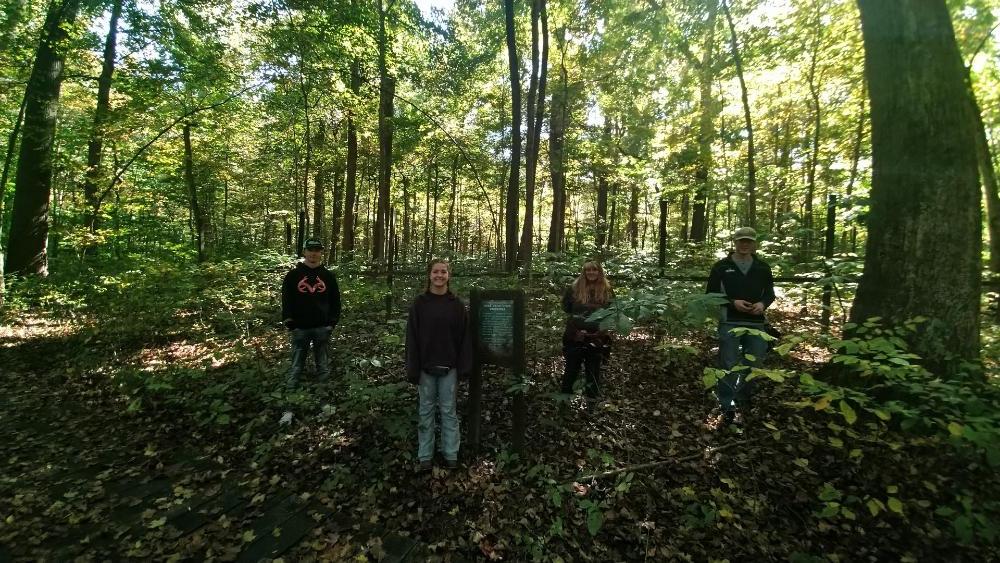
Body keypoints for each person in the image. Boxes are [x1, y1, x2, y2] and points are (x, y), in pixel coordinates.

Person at [405, 259, 472, 471]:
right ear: (429, 275)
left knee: (448, 412)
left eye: (443, 272)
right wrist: (412, 367)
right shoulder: (419, 304)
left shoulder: (457, 305)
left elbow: (465, 339)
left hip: (449, 369)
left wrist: (463, 367)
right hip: (425, 369)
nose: (439, 275)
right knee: (425, 412)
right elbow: (412, 338)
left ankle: (450, 453)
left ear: (449, 276)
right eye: (436, 272)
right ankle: (425, 455)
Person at [706, 227, 776, 426]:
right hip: (729, 320)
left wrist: (762, 304)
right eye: (741, 241)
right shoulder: (721, 267)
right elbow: (711, 293)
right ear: (734, 242)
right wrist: (732, 302)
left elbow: (770, 294)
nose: (744, 244)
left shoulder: (763, 267)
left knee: (754, 363)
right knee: (728, 363)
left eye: (749, 241)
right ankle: (726, 404)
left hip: (756, 323)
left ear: (754, 243)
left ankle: (743, 398)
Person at [281, 238, 342, 391]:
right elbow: (286, 300)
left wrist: (332, 323)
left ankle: (324, 397)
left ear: (321, 252)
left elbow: (335, 301)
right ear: (304, 252)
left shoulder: (328, 276)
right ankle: (290, 397)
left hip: (322, 327)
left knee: (323, 365)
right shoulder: (293, 275)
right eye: (310, 250)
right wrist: (289, 322)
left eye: (317, 250)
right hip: (299, 328)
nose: (313, 254)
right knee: (296, 366)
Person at [560, 261, 613, 402]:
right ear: (584, 272)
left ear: (599, 272)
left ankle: (591, 403)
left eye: (594, 270)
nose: (591, 272)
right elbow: (566, 307)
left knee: (593, 370)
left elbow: (612, 310)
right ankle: (565, 401)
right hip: (575, 336)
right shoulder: (574, 288)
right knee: (571, 369)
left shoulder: (607, 289)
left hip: (597, 338)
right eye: (588, 270)